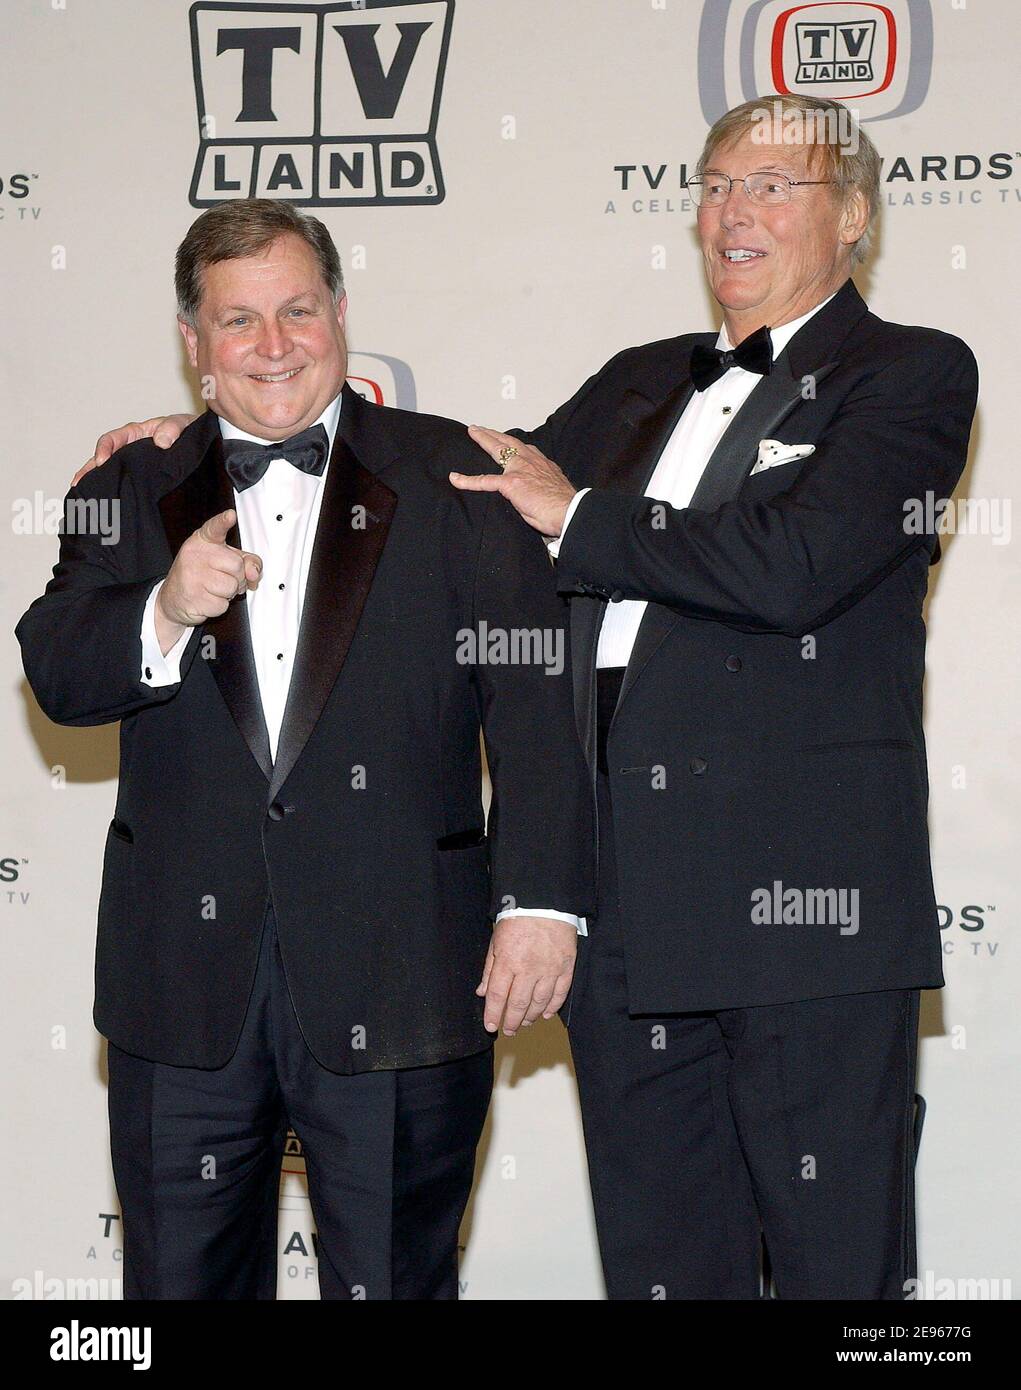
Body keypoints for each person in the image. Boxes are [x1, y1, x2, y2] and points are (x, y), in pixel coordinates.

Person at [80, 94, 980, 1300]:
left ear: (854, 217)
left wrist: (585, 517)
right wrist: (224, 425)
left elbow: (798, 565)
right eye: (717, 184)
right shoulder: (638, 382)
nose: (734, 211)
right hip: (624, 928)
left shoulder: (912, 371)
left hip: (801, 917)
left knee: (837, 1279)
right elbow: (440, 482)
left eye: (774, 185)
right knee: (665, 1272)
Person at [18, 198, 593, 1301]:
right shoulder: (125, 489)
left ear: (341, 310)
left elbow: (538, 711)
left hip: (407, 971)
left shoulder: (465, 479)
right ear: (193, 343)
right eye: (238, 320)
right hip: (179, 991)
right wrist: (164, 610)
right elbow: (57, 668)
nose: (272, 344)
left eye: (296, 309)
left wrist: (540, 903)